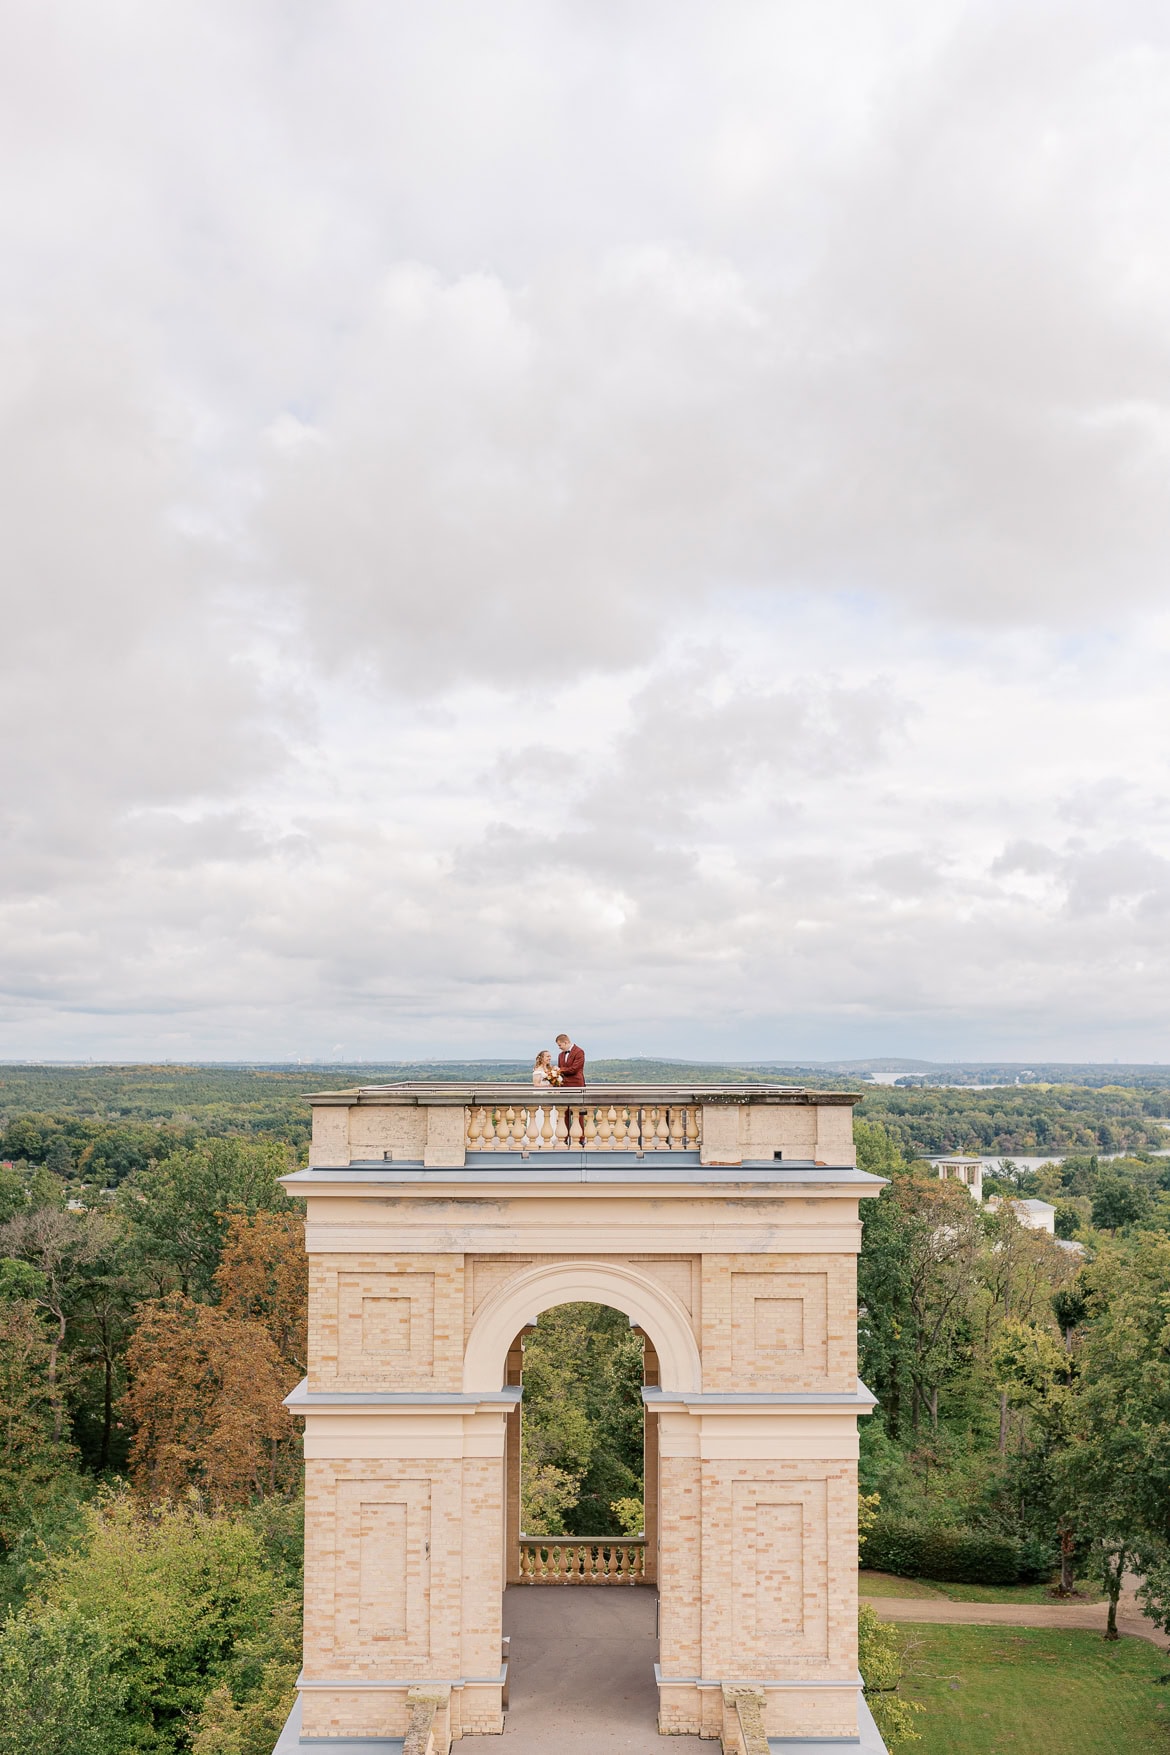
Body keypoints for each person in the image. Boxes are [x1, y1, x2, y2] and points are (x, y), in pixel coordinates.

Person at [556, 1034, 586, 1144]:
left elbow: (574, 1069)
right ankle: (564, 1137)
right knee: (565, 1113)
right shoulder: (560, 1055)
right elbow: (562, 1071)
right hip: (564, 1086)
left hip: (577, 1085)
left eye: (560, 1045)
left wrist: (559, 1070)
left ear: (566, 1042)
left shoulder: (579, 1052)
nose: (559, 1047)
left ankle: (581, 1138)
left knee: (578, 1113)